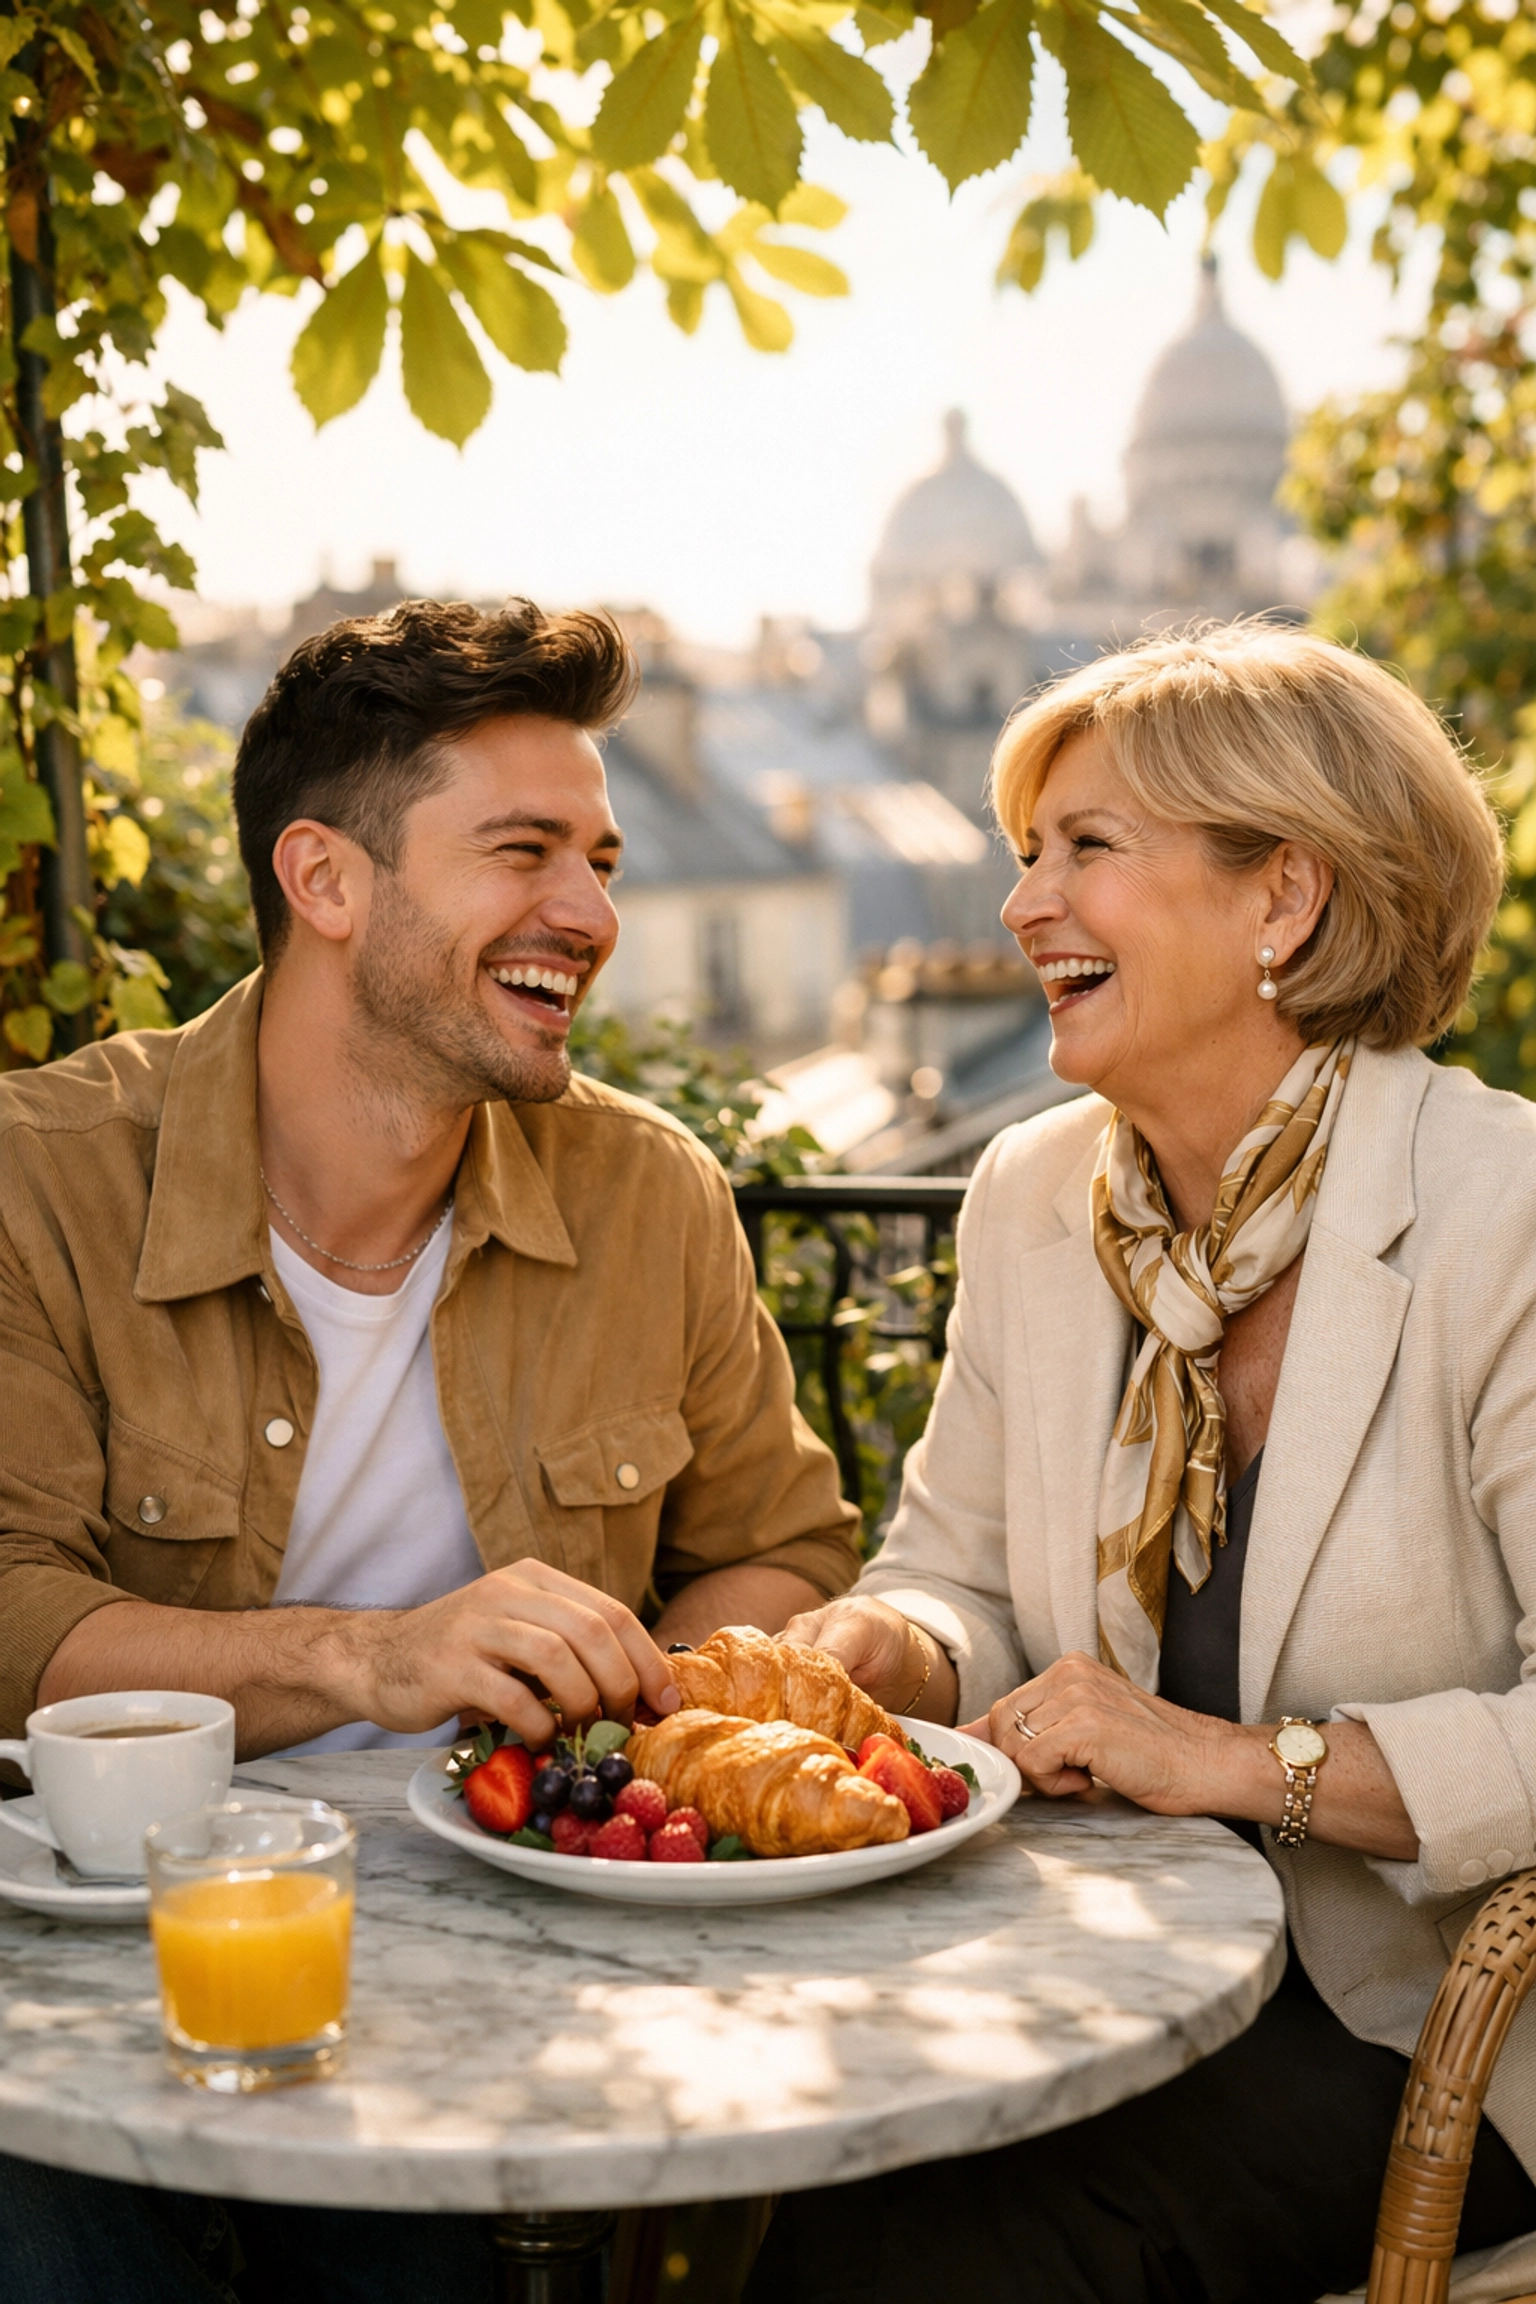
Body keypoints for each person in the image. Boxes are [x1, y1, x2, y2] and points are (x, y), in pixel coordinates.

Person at [0, 596, 860, 2303]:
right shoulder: (46, 1175)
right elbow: (14, 1624)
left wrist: (627, 1713)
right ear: (325, 882)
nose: (594, 914)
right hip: (100, 1958)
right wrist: (378, 1658)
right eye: (526, 851)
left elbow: (787, 1550)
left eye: (603, 858)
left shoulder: (651, 1193)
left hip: (517, 1961)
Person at [752, 625, 1536, 2304]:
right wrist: (882, 1650)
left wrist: (1240, 1763)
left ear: (1285, 900)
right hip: (1093, 1967)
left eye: (1087, 851)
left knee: (933, 2258)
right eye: (1024, 856)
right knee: (787, 2156)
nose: (1023, 906)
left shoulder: (1504, 1213)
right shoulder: (1034, 1197)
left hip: (1425, 2037)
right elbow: (950, 1572)